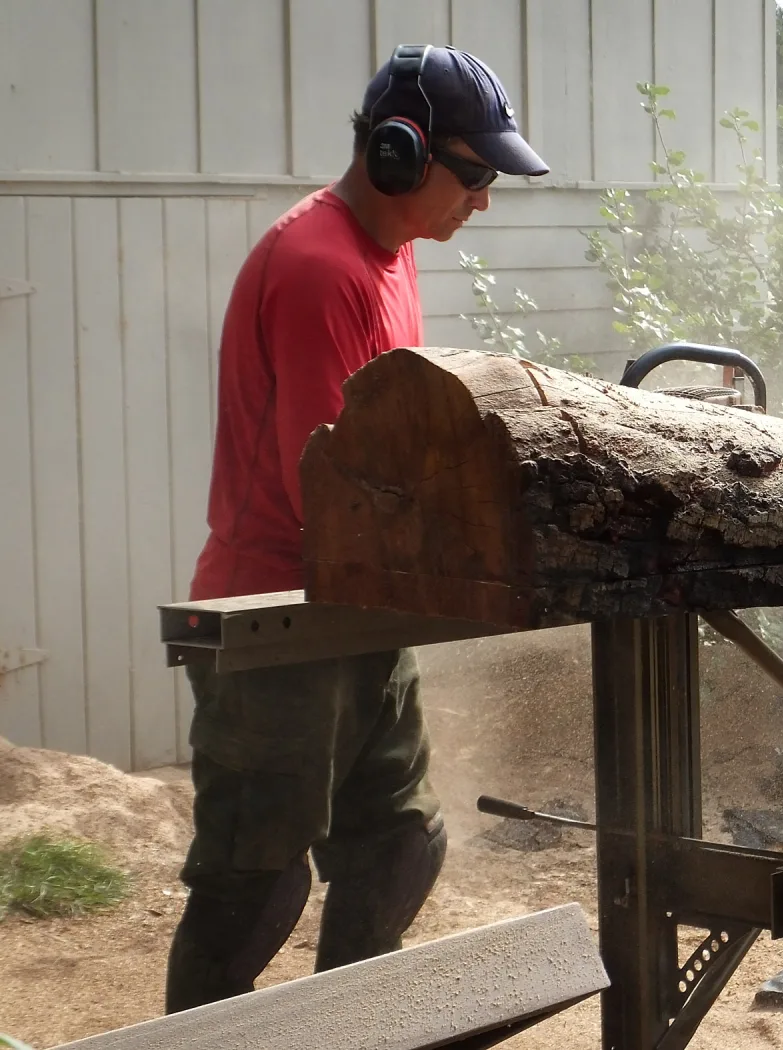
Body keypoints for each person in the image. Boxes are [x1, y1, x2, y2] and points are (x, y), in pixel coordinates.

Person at [165, 44, 549, 1012]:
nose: (483, 199)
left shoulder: (388, 259)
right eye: (473, 175)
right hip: (276, 612)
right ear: (398, 150)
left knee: (397, 845)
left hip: (354, 601)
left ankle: (347, 1031)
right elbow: (325, 488)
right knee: (255, 882)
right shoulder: (316, 265)